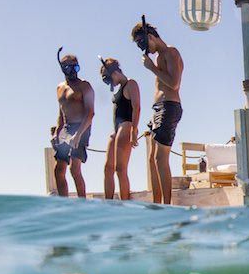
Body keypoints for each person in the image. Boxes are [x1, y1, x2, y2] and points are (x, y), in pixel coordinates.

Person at [131, 18, 183, 204]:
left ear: (151, 37)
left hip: (169, 106)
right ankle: (157, 203)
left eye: (143, 43)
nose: (144, 48)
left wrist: (152, 68)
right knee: (153, 159)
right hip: (158, 109)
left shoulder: (170, 52)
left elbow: (174, 84)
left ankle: (167, 205)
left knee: (161, 158)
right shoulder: (160, 57)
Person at [50, 49, 94, 198]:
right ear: (63, 68)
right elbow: (61, 112)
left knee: (75, 169)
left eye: (77, 67)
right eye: (70, 68)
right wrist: (57, 132)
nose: (74, 71)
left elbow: (90, 113)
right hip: (66, 128)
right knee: (59, 170)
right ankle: (65, 204)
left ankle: (82, 205)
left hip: (82, 127)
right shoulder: (59, 88)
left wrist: (79, 134)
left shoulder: (85, 86)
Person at [98, 57, 140, 201]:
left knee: (120, 169)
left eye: (110, 79)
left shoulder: (130, 84)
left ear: (115, 73)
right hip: (116, 130)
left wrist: (134, 130)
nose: (111, 84)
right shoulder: (121, 88)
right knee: (108, 168)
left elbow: (137, 107)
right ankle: (108, 203)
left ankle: (125, 204)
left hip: (126, 127)